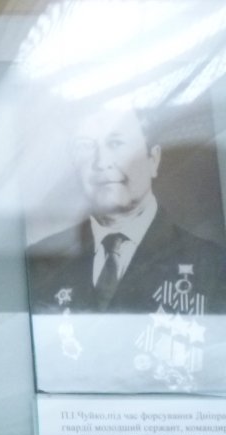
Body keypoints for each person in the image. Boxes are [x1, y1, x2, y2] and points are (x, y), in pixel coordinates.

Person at [27, 105, 226, 315]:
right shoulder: (38, 263)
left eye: (116, 143)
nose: (101, 163)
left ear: (153, 159)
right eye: (85, 146)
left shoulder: (212, 264)